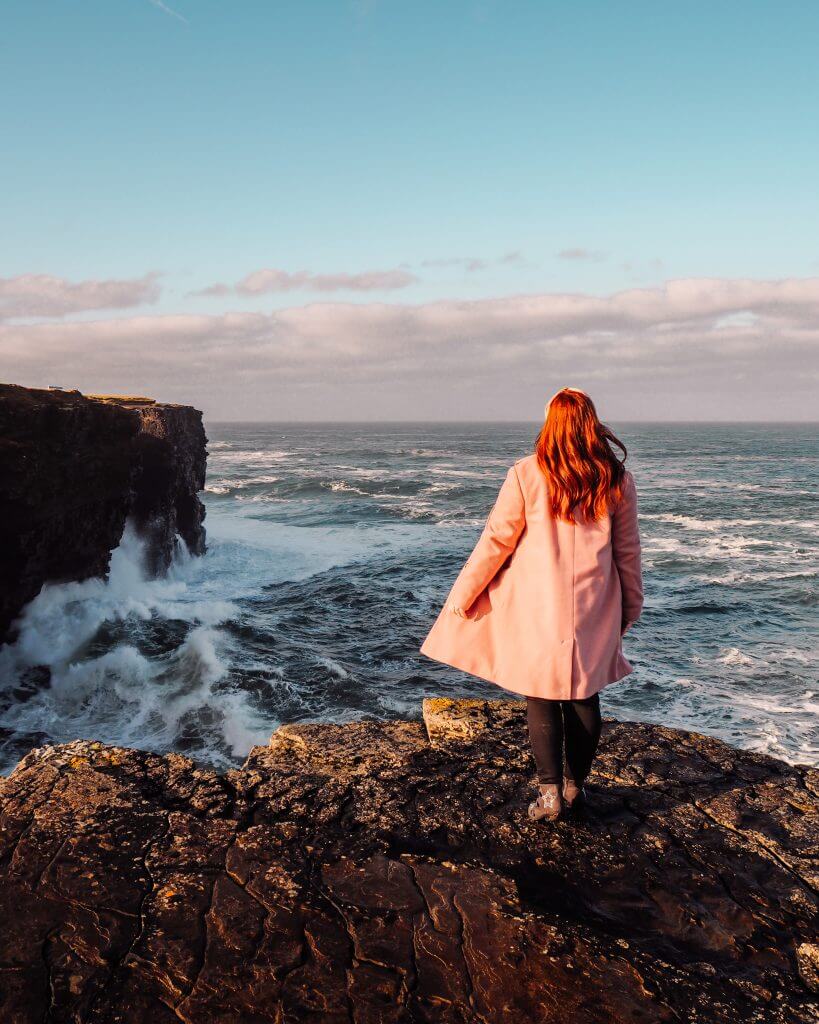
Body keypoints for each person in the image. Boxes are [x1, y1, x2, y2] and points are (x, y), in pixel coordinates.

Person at [419, 387, 644, 822]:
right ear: (590, 424)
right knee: (584, 695)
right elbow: (628, 553)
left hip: (539, 603)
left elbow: (496, 542)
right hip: (596, 603)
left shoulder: (527, 473)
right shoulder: (616, 479)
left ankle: (549, 796)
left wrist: (464, 596)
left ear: (552, 425)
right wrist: (631, 605)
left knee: (541, 696)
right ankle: (577, 789)